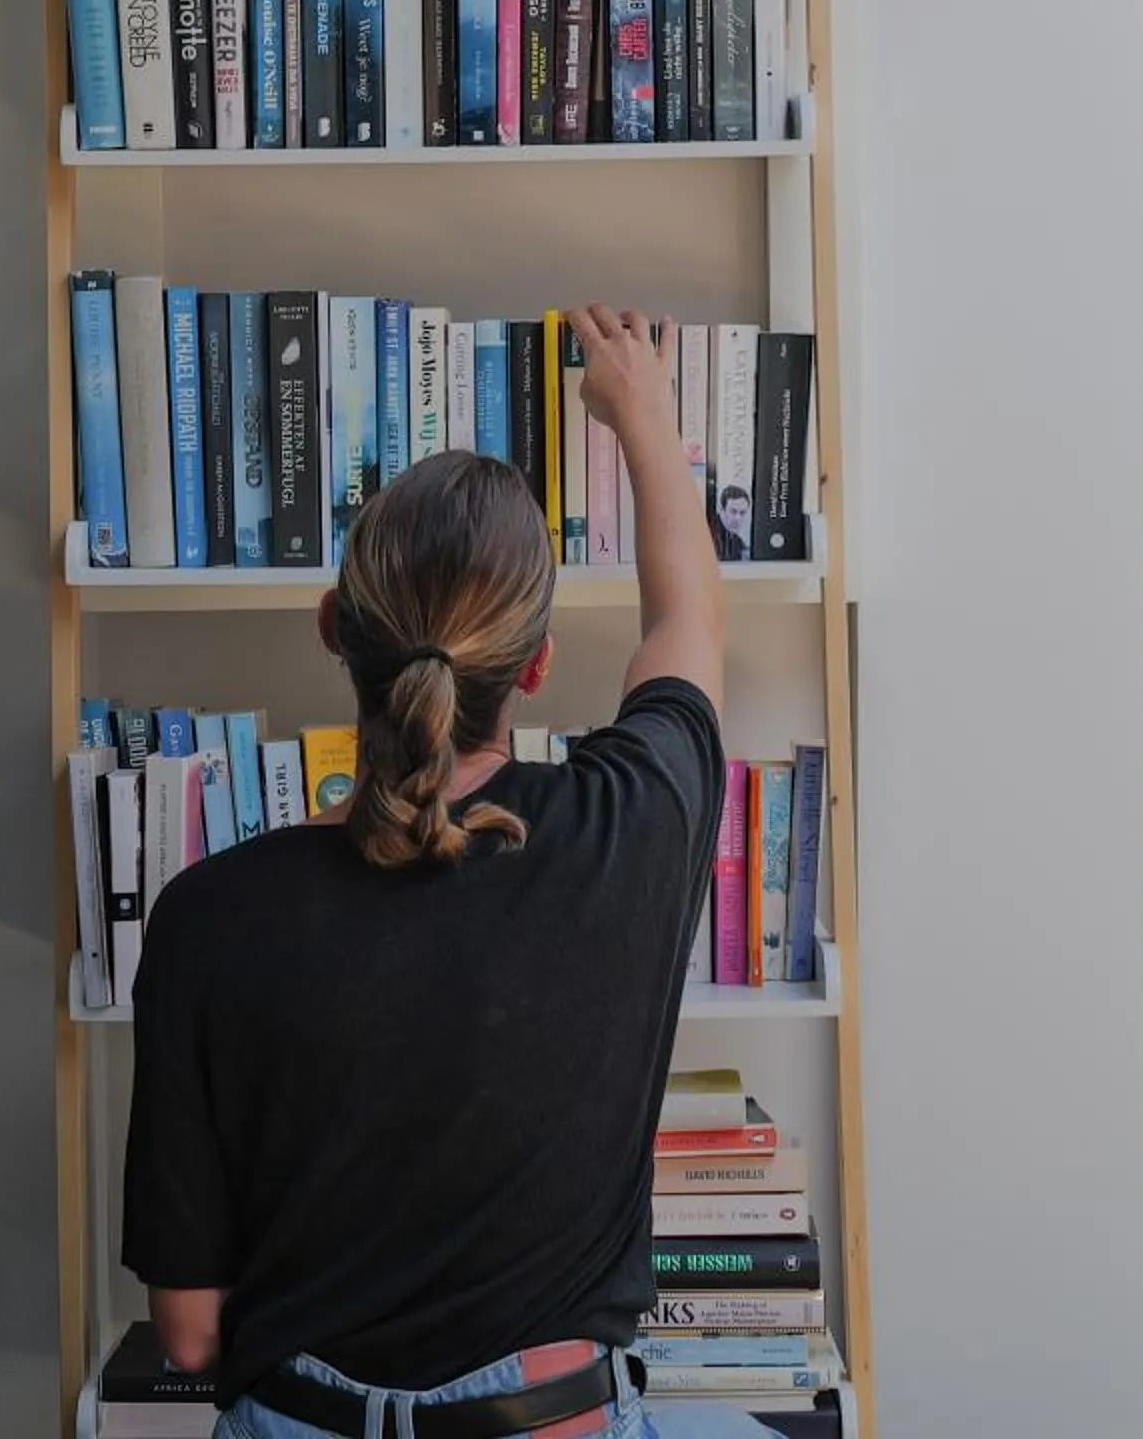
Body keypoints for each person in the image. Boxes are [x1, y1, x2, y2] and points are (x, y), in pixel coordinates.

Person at [121, 305, 780, 1439]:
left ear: (334, 627)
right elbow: (690, 621)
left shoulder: (204, 918)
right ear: (537, 666)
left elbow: (187, 1333)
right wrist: (644, 415)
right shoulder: (632, 825)